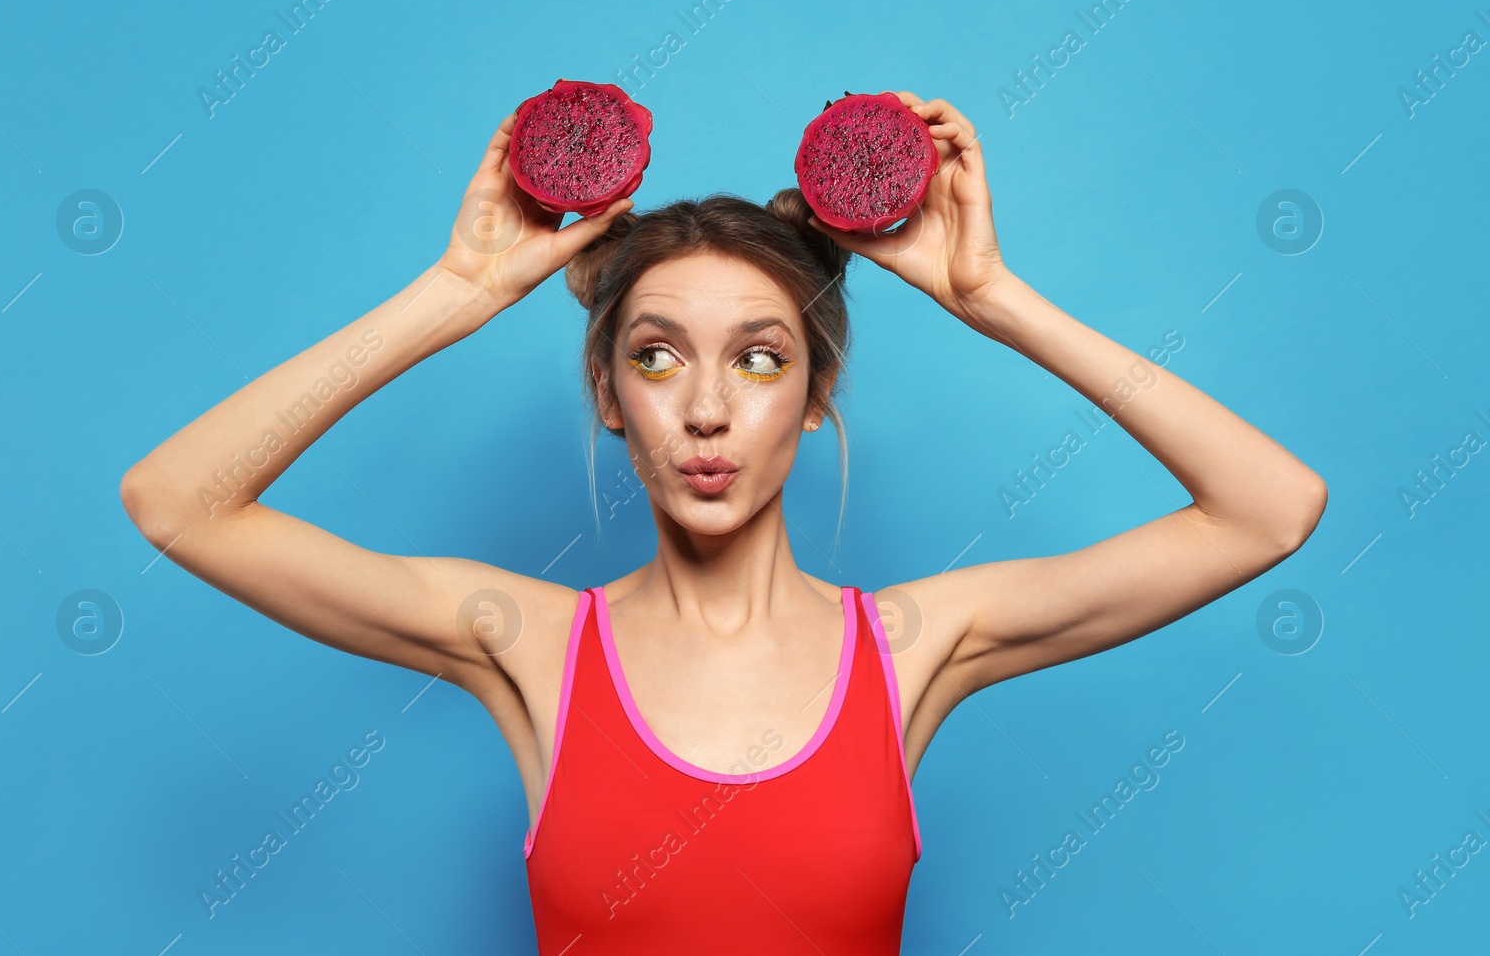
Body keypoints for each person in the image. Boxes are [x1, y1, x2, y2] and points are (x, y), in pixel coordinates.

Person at [119, 91, 1327, 953]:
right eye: (655, 357)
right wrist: (458, 294)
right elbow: (178, 500)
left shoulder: (914, 645)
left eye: (758, 359)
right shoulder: (527, 643)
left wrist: (995, 300)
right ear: (607, 396)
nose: (703, 408)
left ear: (814, 398)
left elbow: (1267, 509)